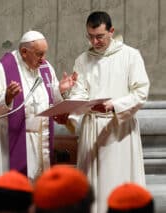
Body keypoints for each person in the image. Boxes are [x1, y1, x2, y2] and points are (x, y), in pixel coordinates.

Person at [0, 30, 77, 213]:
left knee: (37, 193)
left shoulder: (45, 68)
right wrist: (6, 97)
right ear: (24, 52)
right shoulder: (3, 68)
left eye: (45, 53)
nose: (43, 59)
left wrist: (60, 91)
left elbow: (48, 98)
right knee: (9, 195)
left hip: (40, 143)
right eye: (39, 54)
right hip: (10, 141)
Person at [67, 11, 150, 213]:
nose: (95, 41)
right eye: (90, 36)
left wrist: (114, 105)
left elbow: (140, 92)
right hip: (92, 128)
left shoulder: (130, 55)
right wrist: (69, 113)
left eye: (100, 36)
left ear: (111, 31)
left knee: (117, 181)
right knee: (93, 188)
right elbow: (79, 93)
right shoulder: (82, 60)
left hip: (119, 129)